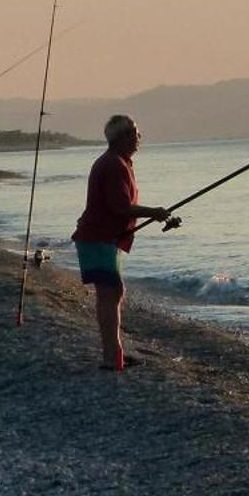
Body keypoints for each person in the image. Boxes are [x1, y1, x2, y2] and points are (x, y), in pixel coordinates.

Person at [71, 115, 179, 370]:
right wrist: (154, 212)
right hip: (97, 238)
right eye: (135, 133)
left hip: (102, 238)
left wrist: (152, 214)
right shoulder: (113, 165)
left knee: (112, 293)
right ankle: (112, 357)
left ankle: (114, 353)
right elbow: (120, 207)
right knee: (111, 294)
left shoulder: (118, 163)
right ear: (123, 138)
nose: (139, 138)